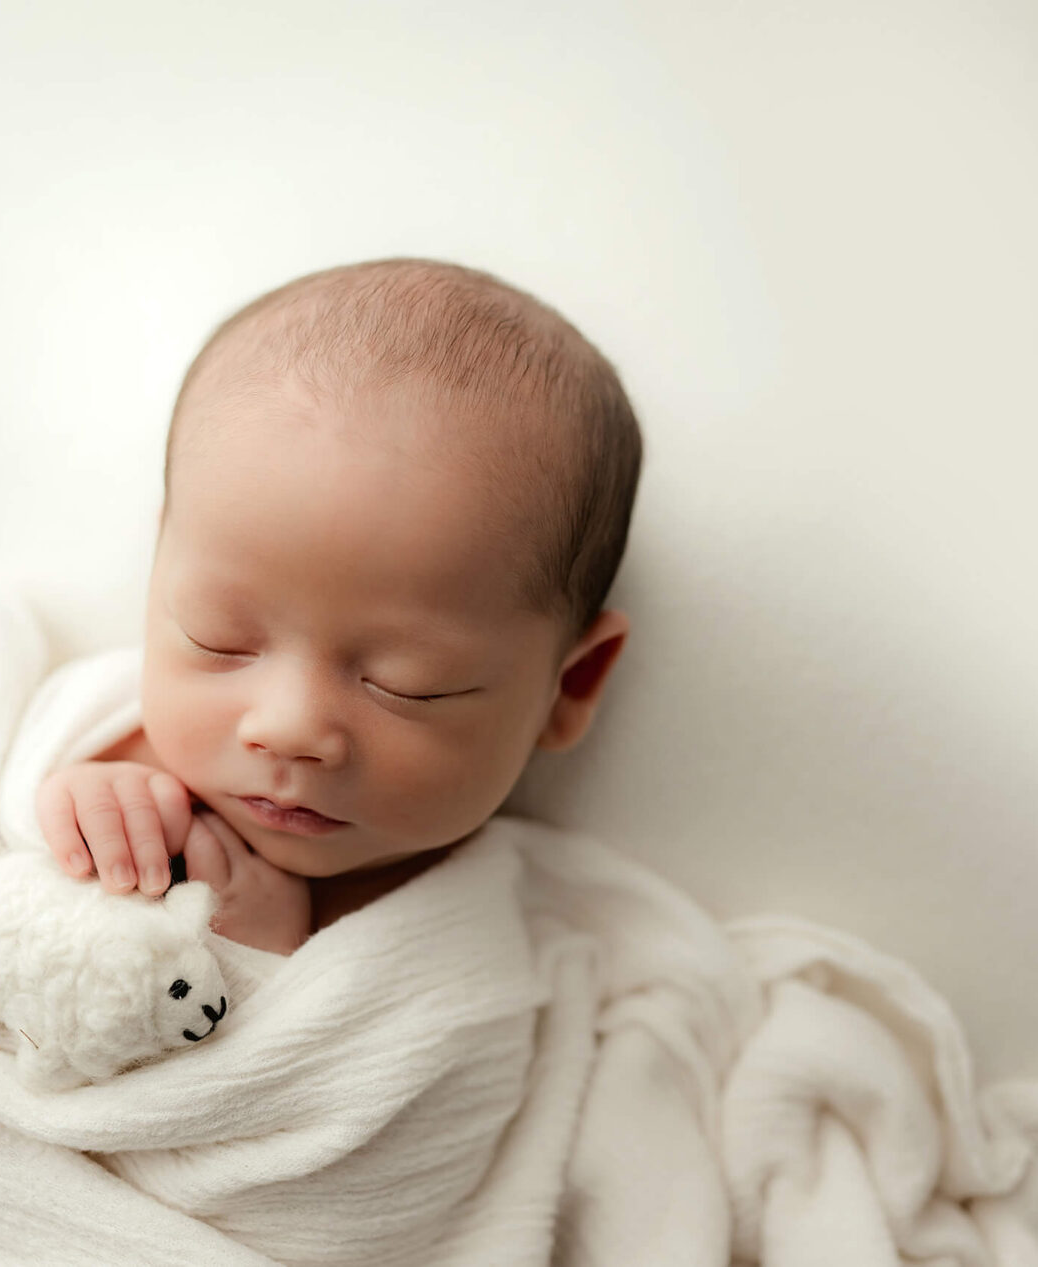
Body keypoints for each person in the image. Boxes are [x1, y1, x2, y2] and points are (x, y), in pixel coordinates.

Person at [36, 257, 642, 956]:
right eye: (220, 637)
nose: (290, 727)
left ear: (569, 684)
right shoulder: (108, 748)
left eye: (407, 682)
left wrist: (262, 960)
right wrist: (71, 809)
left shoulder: (502, 937)